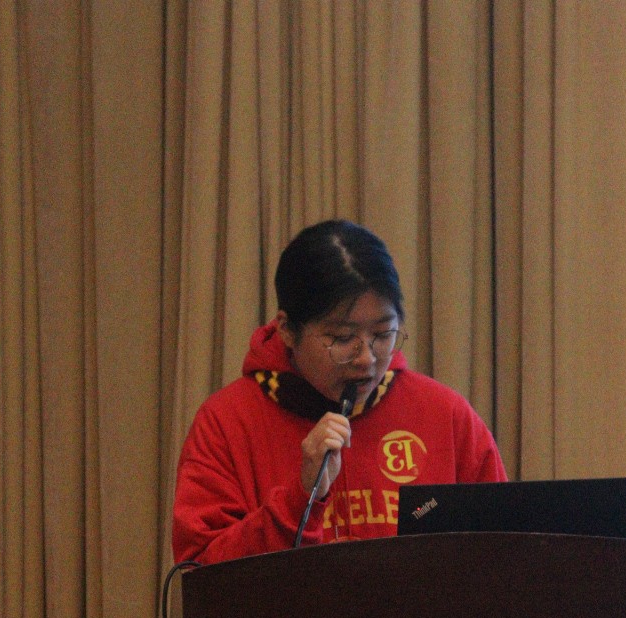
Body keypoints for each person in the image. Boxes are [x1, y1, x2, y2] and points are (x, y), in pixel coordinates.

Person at [173, 219, 505, 566]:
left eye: (383, 335)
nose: (366, 359)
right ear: (287, 330)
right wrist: (300, 497)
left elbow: (504, 554)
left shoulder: (444, 414)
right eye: (343, 339)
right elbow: (199, 573)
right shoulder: (227, 423)